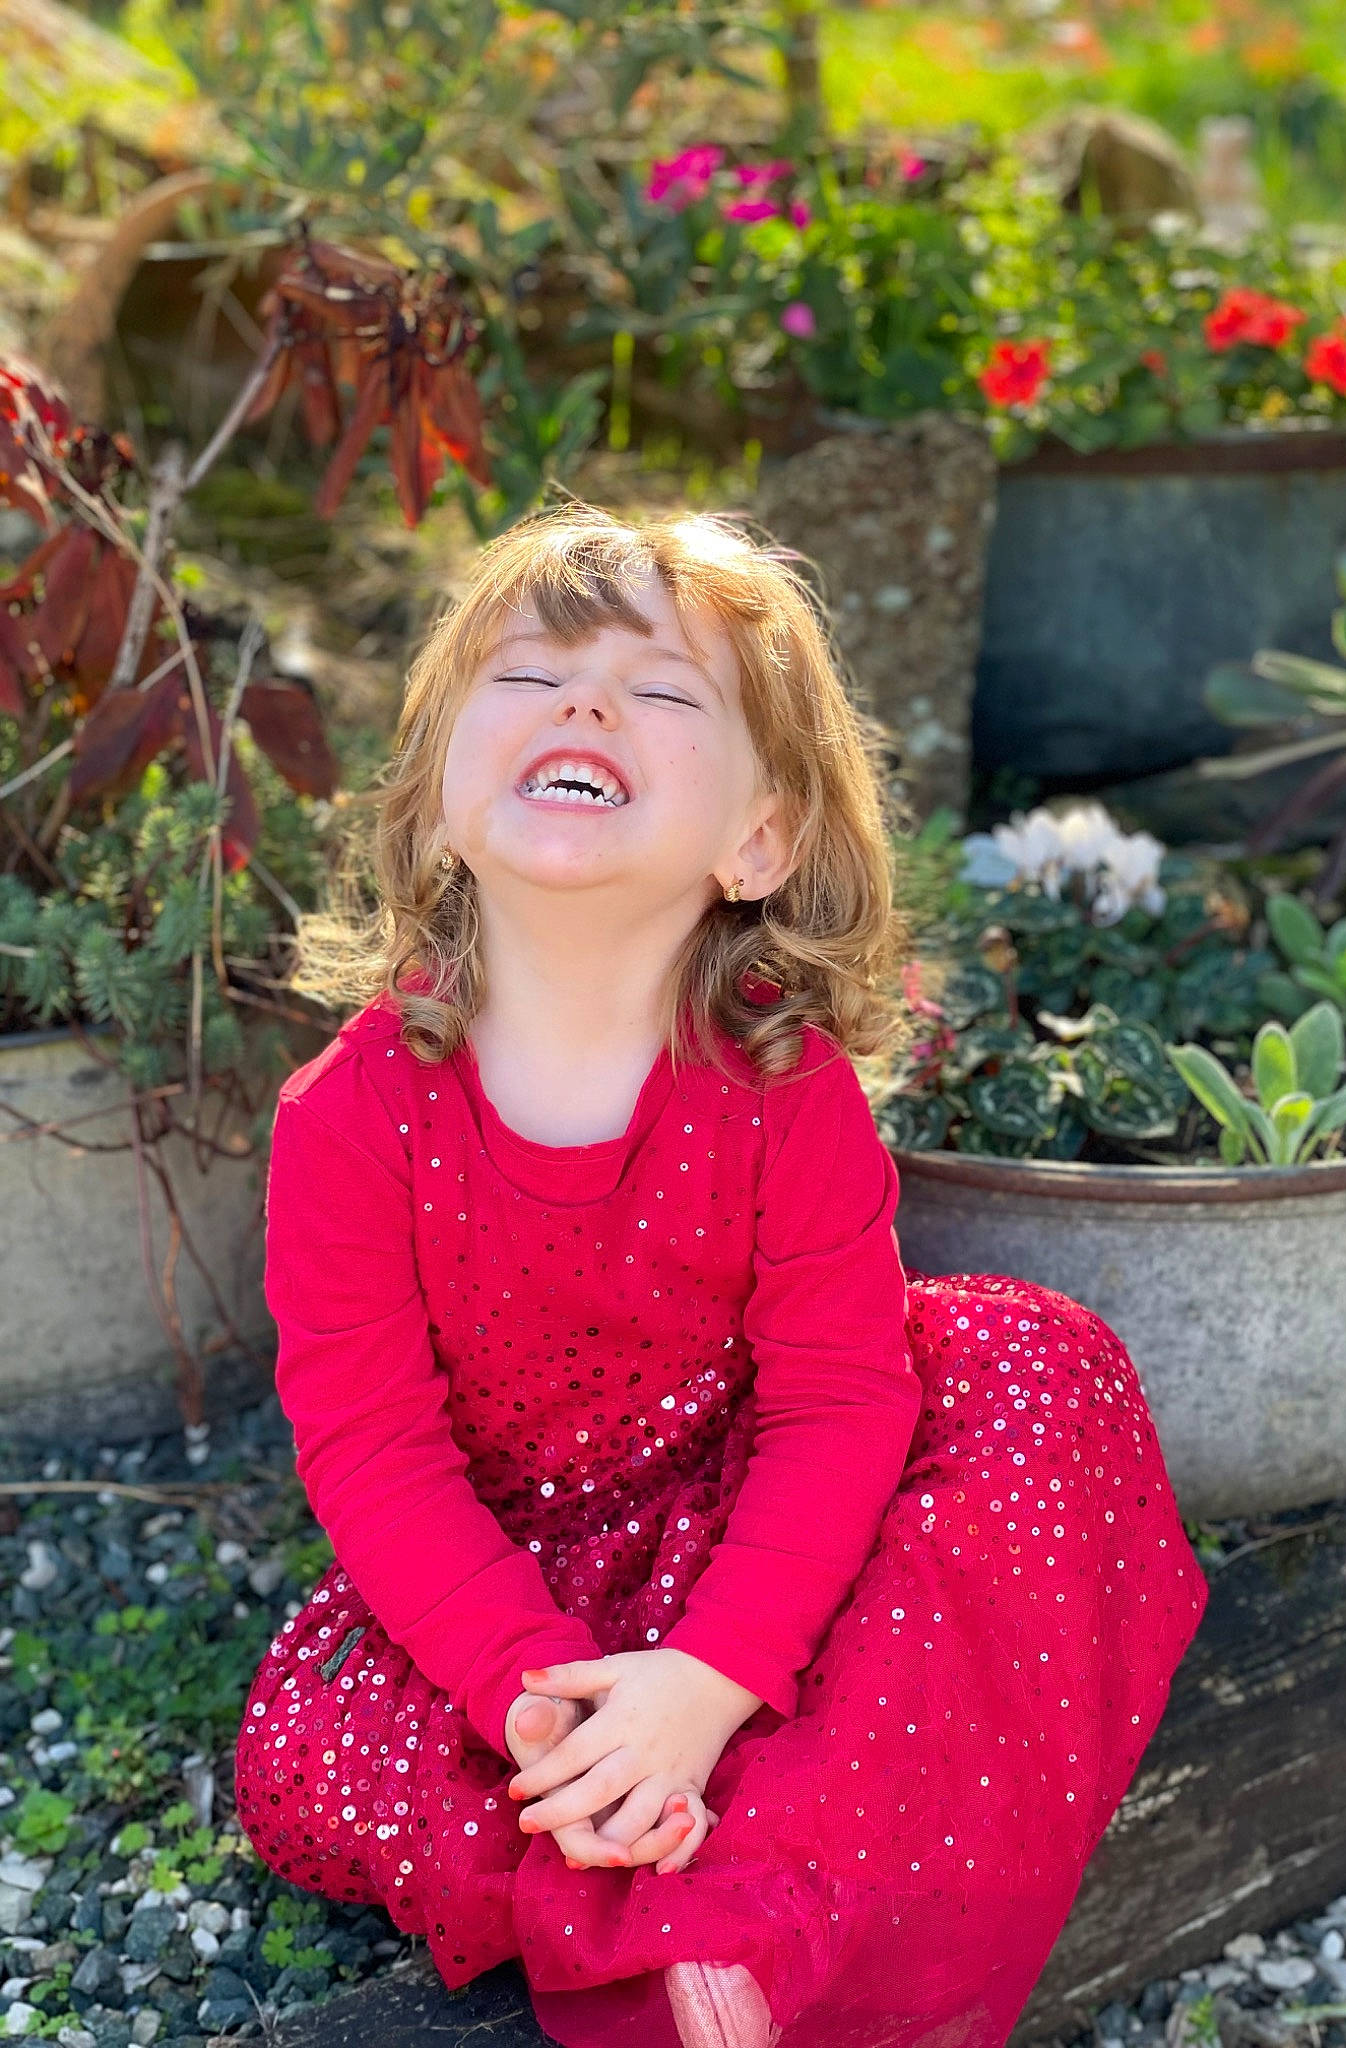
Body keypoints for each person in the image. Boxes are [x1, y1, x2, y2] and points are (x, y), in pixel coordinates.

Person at [233, 502, 1207, 2048]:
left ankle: (743, 1903)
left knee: (1038, 1363)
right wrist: (543, 1691)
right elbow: (377, 1452)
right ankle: (681, 1892)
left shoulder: (779, 1092)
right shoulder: (350, 1123)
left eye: (662, 692)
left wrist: (709, 1679)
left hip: (761, 1533)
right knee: (318, 1762)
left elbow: (836, 1399)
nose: (584, 701)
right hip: (507, 1587)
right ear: (430, 806)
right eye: (528, 674)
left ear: (759, 842)